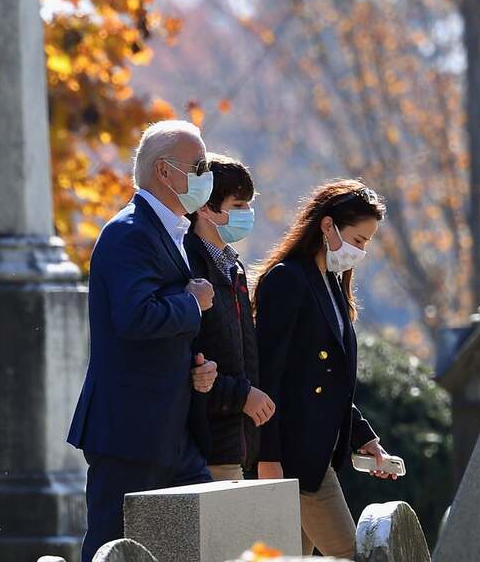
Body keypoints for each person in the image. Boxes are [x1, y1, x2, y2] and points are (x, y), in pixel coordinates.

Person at [66, 120, 220, 562]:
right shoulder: (130, 232)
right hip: (129, 431)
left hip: (172, 431)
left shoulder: (170, 231)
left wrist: (197, 368)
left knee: (201, 543)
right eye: (199, 166)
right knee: (112, 549)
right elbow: (134, 317)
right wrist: (192, 304)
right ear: (164, 171)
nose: (206, 176)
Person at [254, 179, 397, 559]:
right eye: (359, 239)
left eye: (367, 242)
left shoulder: (331, 284)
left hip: (316, 455)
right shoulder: (287, 279)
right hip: (294, 457)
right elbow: (268, 374)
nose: (361, 251)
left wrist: (363, 438)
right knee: (350, 552)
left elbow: (328, 381)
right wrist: (268, 458)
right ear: (327, 225)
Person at [185, 154, 275, 481]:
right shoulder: (188, 265)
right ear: (205, 208)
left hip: (236, 445)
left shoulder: (233, 267)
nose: (247, 213)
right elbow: (190, 363)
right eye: (237, 205)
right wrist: (241, 396)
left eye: (248, 204)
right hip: (206, 446)